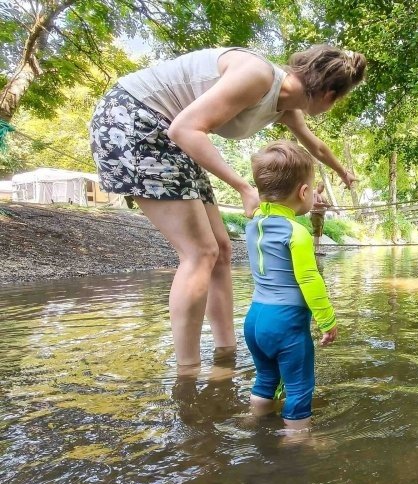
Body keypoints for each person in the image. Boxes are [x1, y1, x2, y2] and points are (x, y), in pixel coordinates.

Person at [89, 45, 364, 369]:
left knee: (221, 249)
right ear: (331, 96)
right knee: (200, 253)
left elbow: (314, 144)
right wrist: (244, 188)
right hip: (133, 120)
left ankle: (225, 356)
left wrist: (342, 171)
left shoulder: (287, 106)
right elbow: (184, 128)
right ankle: (187, 374)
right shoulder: (258, 74)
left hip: (170, 136)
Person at [243, 141, 338, 430]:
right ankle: (298, 441)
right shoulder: (297, 231)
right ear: (304, 192)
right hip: (285, 323)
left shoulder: (253, 226)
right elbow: (309, 279)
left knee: (266, 378)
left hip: (255, 320)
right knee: (299, 386)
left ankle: (253, 421)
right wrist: (327, 320)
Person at [310, 181, 330, 255]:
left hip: (321, 216)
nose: (322, 189)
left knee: (320, 232)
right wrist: (324, 205)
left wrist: (330, 207)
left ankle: (319, 249)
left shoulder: (321, 195)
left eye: (323, 188)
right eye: (321, 187)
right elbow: (315, 203)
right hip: (315, 215)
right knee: (317, 232)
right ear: (318, 186)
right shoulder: (314, 193)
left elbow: (327, 204)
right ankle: (316, 249)